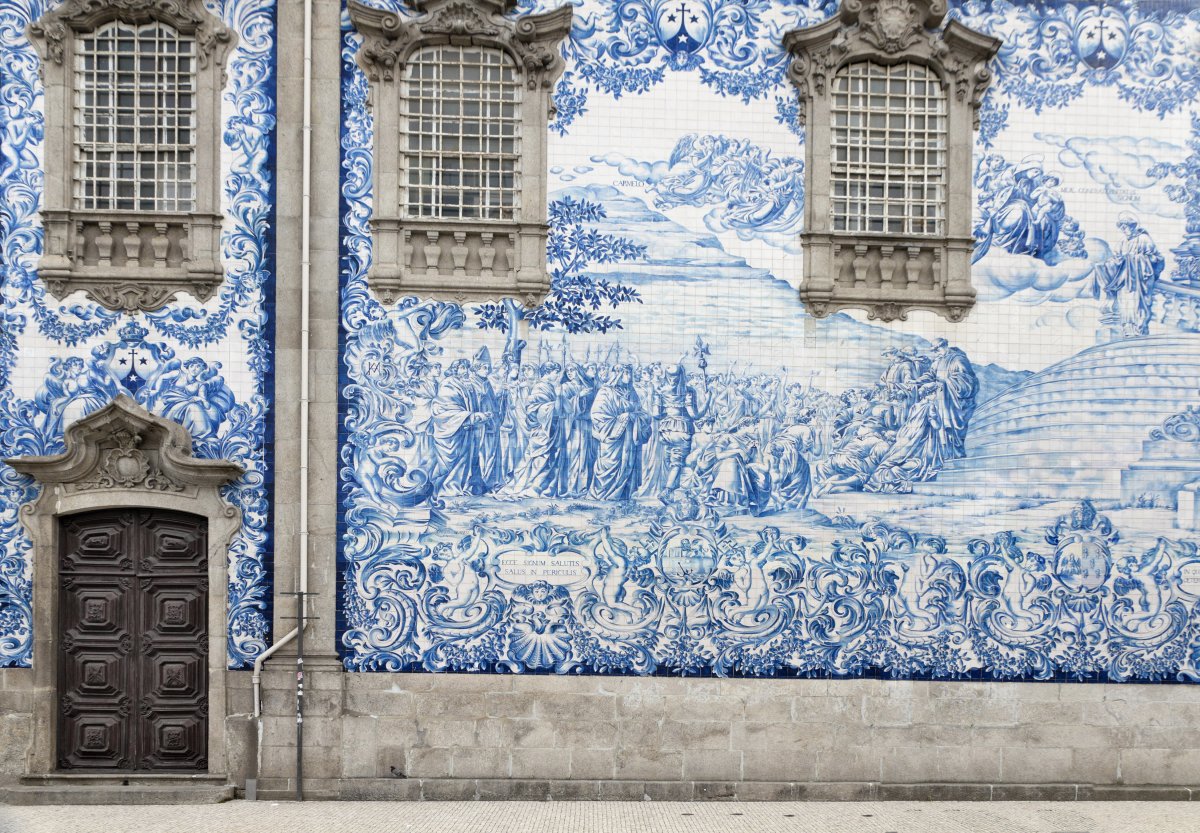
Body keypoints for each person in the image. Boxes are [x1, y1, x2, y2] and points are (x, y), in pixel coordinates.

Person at [1092, 213, 1165, 338]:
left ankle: (1139, 329)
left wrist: (1135, 259)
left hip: (1139, 281)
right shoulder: (1122, 242)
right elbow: (1116, 260)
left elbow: (1155, 258)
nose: (1123, 230)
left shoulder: (1144, 239)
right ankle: (1128, 329)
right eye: (1121, 228)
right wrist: (1105, 266)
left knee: (1136, 305)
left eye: (1125, 227)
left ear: (1132, 226)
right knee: (1125, 305)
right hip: (1124, 281)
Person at [590, 364, 651, 501]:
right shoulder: (605, 391)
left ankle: (622, 495)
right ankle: (601, 495)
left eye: (630, 373)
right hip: (612, 435)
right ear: (617, 374)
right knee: (608, 464)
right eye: (626, 373)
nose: (629, 377)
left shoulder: (631, 392)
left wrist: (634, 416)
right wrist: (619, 420)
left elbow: (641, 411)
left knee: (628, 463)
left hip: (629, 435)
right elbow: (597, 415)